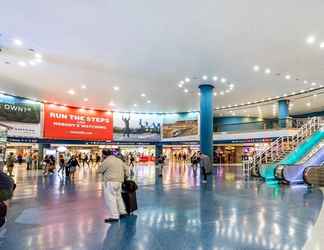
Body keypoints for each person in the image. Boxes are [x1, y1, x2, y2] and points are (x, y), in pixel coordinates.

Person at [97, 149, 129, 223]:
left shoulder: (106, 161)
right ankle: (122, 212)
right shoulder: (119, 160)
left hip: (110, 182)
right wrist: (125, 177)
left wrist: (102, 161)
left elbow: (99, 170)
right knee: (118, 197)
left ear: (104, 155)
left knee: (111, 199)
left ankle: (114, 216)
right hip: (119, 182)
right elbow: (127, 169)